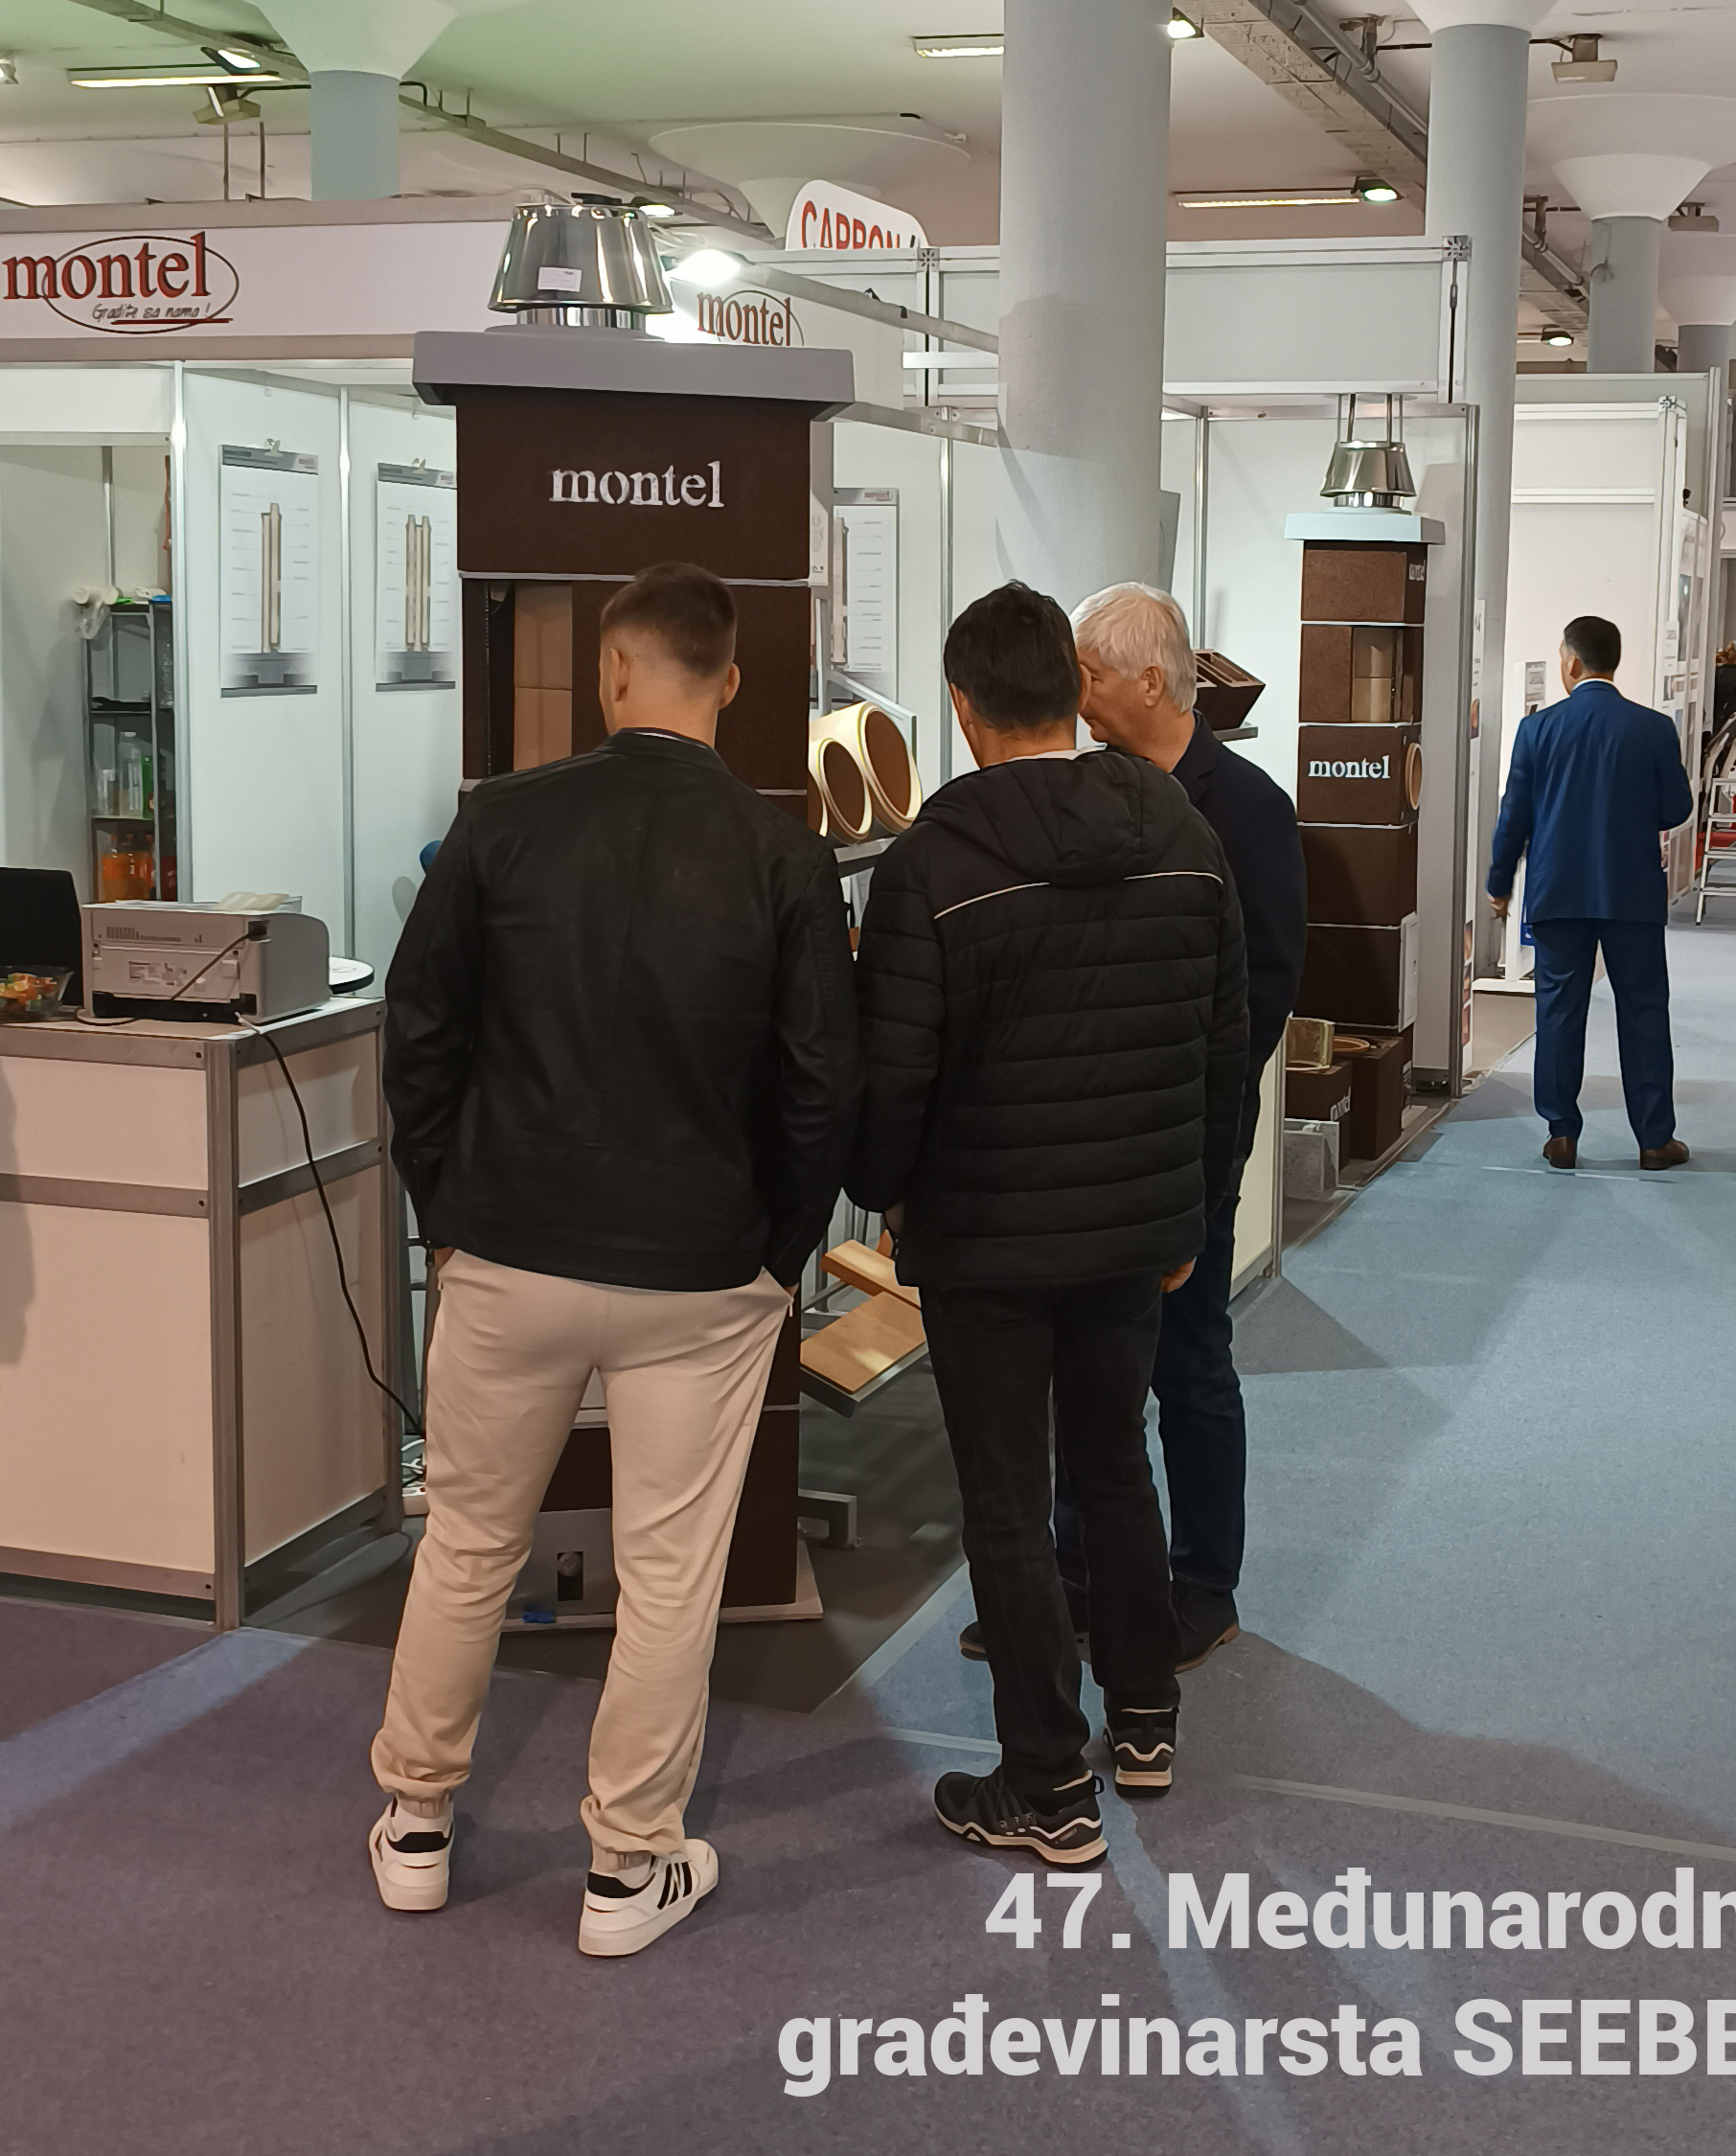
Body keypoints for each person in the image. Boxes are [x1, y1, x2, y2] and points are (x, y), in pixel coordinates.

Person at [373, 563, 860, 1956]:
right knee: (669, 1575)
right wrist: (776, 1253)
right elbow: (823, 1086)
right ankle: (628, 1866)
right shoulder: (782, 854)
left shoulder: (499, 822)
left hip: (507, 1249)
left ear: (609, 673)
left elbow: (421, 1034)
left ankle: (416, 1823)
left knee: (467, 1541)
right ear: (734, 682)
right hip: (702, 1272)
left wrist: (446, 1209)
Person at [849, 582, 1248, 1864]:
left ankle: (1046, 1784)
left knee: (1009, 1501)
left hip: (983, 1241)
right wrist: (1193, 1207)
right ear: (1075, 694)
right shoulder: (1181, 830)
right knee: (1114, 1461)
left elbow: (893, 1074)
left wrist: (886, 1195)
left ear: (961, 707)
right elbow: (1224, 1045)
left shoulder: (930, 865)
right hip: (1135, 1229)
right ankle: (1144, 1721)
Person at [1029, 580, 1308, 1671]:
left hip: (1190, 1134)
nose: (1075, 694)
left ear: (1151, 681)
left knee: (1188, 1359)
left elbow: (1267, 989)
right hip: (1087, 1135)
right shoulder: (1080, 790)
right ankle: (1075, 1571)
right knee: (1081, 1358)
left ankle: (1203, 1583)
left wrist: (1186, 1113)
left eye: (1089, 675)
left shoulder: (1246, 809)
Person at [1488, 614, 1694, 1171]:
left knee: (1558, 1011)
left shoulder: (1537, 729)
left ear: (1573, 662)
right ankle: (1655, 1140)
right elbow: (1677, 807)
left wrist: (1499, 882)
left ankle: (1561, 1133)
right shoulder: (1653, 727)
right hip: (1632, 892)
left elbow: (1514, 814)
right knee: (1644, 1011)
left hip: (1558, 891)